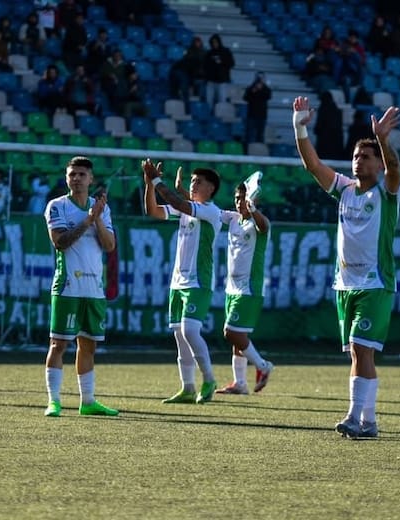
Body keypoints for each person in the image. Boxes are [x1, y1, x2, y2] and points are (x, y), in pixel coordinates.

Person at [293, 95, 400, 439]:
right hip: (346, 283)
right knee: (358, 352)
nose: (358, 162)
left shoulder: (386, 192)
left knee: (360, 347)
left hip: (375, 282)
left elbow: (396, 169)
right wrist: (299, 127)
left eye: (366, 157)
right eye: (356, 156)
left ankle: (355, 417)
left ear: (378, 164)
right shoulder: (343, 189)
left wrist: (382, 140)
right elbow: (313, 166)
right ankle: (369, 422)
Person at [43, 156, 118, 417]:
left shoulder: (102, 210)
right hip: (68, 285)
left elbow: (109, 246)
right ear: (66, 177)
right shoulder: (57, 206)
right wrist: (86, 220)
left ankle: (87, 402)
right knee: (59, 344)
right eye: (72, 174)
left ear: (91, 179)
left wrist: (97, 218)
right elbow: (60, 242)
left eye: (81, 174)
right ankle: (54, 401)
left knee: (88, 346)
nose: (76, 178)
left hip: (94, 288)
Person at [142, 162, 222, 405]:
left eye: (199, 181)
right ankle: (187, 388)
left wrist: (157, 181)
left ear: (211, 188)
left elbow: (177, 202)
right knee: (179, 335)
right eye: (192, 180)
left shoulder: (210, 210)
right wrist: (149, 185)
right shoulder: (189, 210)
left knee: (190, 330)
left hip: (198, 281)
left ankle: (209, 379)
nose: (193, 183)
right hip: (178, 282)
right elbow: (153, 211)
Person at [215, 182, 275, 395]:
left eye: (244, 198)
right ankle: (240, 383)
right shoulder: (232, 218)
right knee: (237, 338)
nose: (240, 202)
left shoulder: (259, 222)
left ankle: (262, 365)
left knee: (230, 332)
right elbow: (205, 209)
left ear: (254, 200)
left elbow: (264, 226)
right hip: (232, 287)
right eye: (237, 198)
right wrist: (185, 193)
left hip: (249, 289)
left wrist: (253, 209)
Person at [242, 72, 272, 151]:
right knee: (250, 135)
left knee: (260, 135)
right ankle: (248, 151)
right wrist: (254, 90)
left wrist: (261, 89)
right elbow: (245, 97)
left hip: (262, 115)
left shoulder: (266, 89)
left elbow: (268, 96)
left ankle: (259, 151)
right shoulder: (250, 88)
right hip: (251, 115)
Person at [204, 34, 234, 108]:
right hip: (211, 80)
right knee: (209, 101)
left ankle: (221, 116)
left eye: (216, 42)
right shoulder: (209, 53)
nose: (214, 44)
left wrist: (221, 61)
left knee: (222, 101)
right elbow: (205, 66)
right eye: (213, 42)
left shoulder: (226, 51)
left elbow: (231, 64)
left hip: (222, 81)